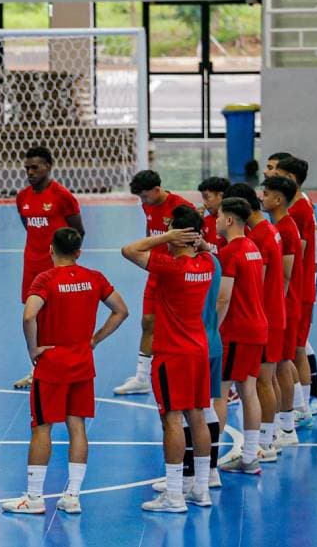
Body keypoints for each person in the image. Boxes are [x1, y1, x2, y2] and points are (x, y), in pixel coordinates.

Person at [5, 228, 128, 515]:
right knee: (77, 427)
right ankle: (72, 495)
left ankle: (34, 498)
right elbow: (121, 310)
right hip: (82, 363)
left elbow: (28, 315)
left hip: (52, 365)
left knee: (42, 428)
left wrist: (33, 348)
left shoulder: (45, 279)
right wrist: (95, 339)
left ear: (51, 250)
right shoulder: (94, 278)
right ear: (78, 252)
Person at [121, 206, 216, 511]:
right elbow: (214, 254)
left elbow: (128, 250)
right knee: (197, 416)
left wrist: (165, 237)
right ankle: (201, 489)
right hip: (198, 350)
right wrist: (199, 244)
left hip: (172, 354)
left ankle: (174, 494)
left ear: (177, 236)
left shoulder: (169, 267)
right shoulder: (207, 264)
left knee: (171, 419)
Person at [114, 170, 193, 396]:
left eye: (145, 196)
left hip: (178, 275)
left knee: (178, 327)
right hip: (156, 271)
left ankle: (184, 373)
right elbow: (151, 235)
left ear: (157, 190)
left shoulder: (181, 207)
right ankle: (142, 377)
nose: (143, 201)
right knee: (148, 322)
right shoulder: (147, 204)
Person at [13, 147, 83, 391]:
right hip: (32, 268)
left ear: (49, 166)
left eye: (35, 168)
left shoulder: (63, 196)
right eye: (27, 168)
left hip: (58, 270)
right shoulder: (22, 196)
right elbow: (29, 227)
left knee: (60, 319)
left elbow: (78, 231)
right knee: (35, 318)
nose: (30, 172)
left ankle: (64, 367)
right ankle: (37, 370)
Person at [225, 183, 285, 462]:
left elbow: (252, 286)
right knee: (261, 381)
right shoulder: (265, 234)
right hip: (266, 317)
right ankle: (266, 441)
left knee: (260, 382)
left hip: (254, 321)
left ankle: (265, 443)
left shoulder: (256, 238)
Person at [214, 197, 267, 475]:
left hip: (236, 331)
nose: (215, 220)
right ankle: (249, 457)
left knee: (219, 394)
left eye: (219, 216)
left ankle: (207, 465)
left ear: (230, 220)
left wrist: (210, 328)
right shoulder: (252, 248)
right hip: (257, 326)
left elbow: (223, 299)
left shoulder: (231, 252)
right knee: (248, 390)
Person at [274, 156, 317, 425]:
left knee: (294, 350)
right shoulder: (301, 204)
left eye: (274, 172)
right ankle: (303, 405)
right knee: (296, 349)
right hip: (303, 287)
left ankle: (300, 407)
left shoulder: (298, 212)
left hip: (299, 291)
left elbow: (297, 253)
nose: (269, 176)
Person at [261, 176, 305, 449]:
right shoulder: (281, 226)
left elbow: (286, 275)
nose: (261, 197)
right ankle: (282, 423)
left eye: (265, 193)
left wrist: (274, 306)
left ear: (278, 199)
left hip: (285, 307)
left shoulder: (286, 229)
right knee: (279, 365)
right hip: (284, 306)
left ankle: (287, 427)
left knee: (282, 364)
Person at [197, 176, 231, 250]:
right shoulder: (204, 221)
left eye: (207, 197)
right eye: (203, 198)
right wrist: (197, 224)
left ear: (220, 195)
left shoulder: (234, 222)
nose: (204, 203)